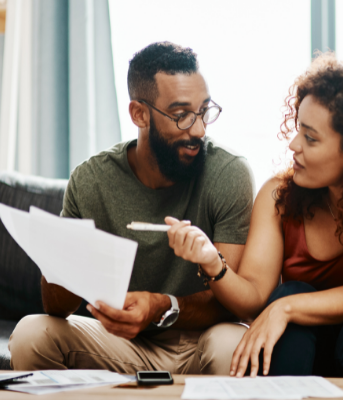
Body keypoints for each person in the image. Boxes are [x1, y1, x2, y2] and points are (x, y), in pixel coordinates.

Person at [165, 54, 343, 399]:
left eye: (311, 138)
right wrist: (211, 261)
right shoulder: (279, 195)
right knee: (292, 293)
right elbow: (253, 300)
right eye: (297, 130)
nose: (294, 146)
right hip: (307, 349)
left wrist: (283, 308)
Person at [9, 42, 254, 375]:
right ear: (139, 114)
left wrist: (158, 306)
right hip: (119, 341)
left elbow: (230, 304)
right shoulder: (91, 180)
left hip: (198, 342)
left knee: (233, 343)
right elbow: (55, 307)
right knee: (30, 334)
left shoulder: (228, 174)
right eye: (181, 115)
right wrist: (64, 255)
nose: (197, 130)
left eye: (204, 111)